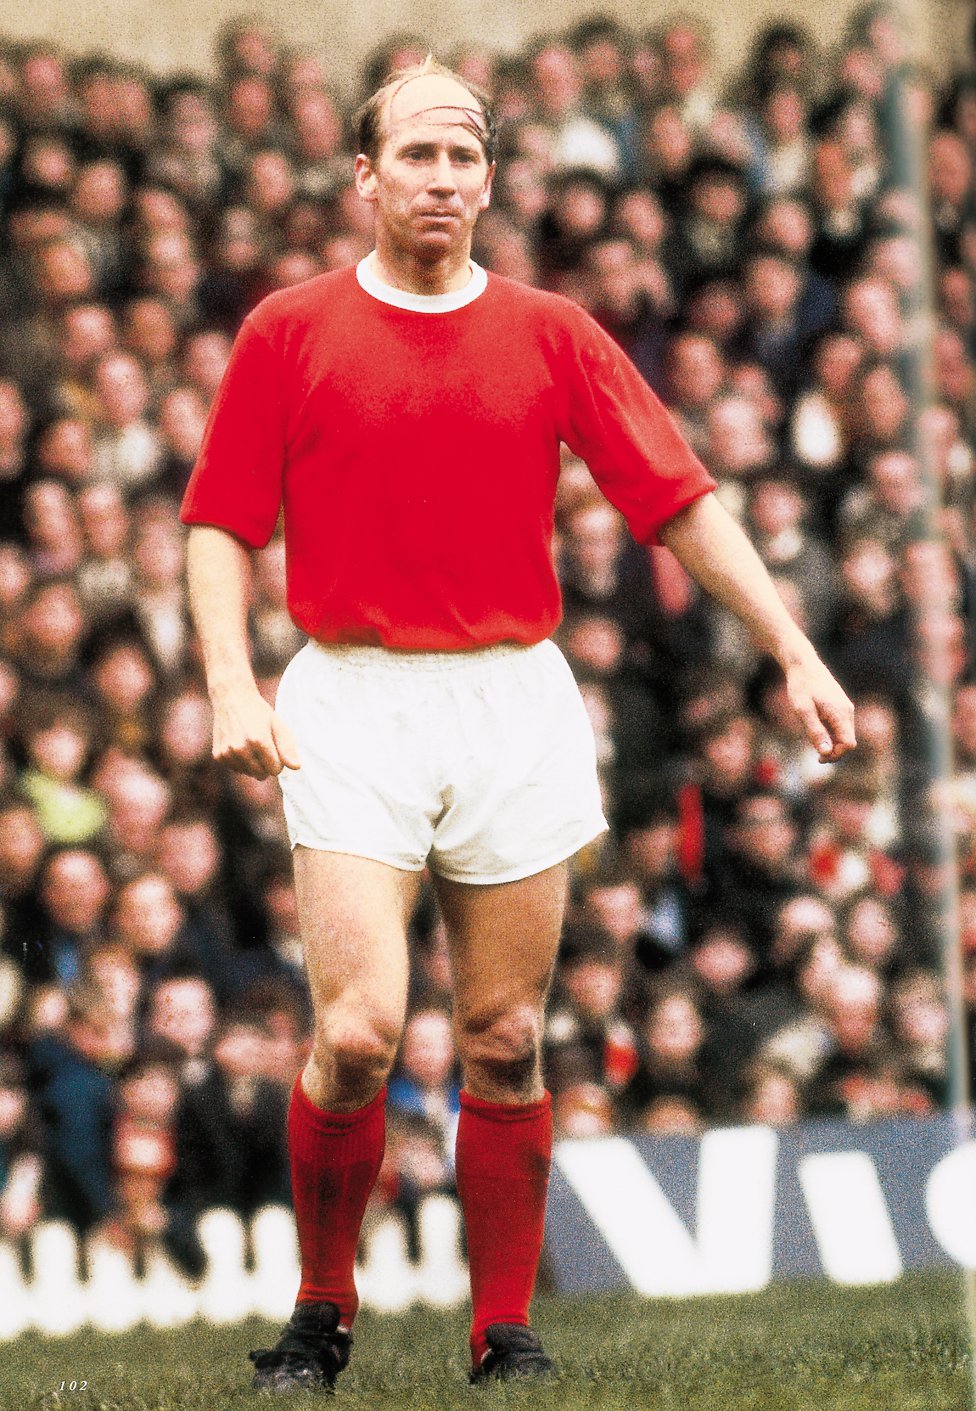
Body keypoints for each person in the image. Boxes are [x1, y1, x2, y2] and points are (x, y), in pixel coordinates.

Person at [180, 57, 855, 1394]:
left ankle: (504, 1330)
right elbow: (218, 522)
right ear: (365, 176)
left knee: (502, 1037)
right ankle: (323, 1312)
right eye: (416, 154)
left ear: (489, 182)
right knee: (358, 1033)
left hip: (512, 699)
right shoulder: (288, 330)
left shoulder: (552, 331)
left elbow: (678, 500)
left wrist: (792, 646)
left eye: (464, 157)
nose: (441, 178)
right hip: (351, 698)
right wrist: (228, 682)